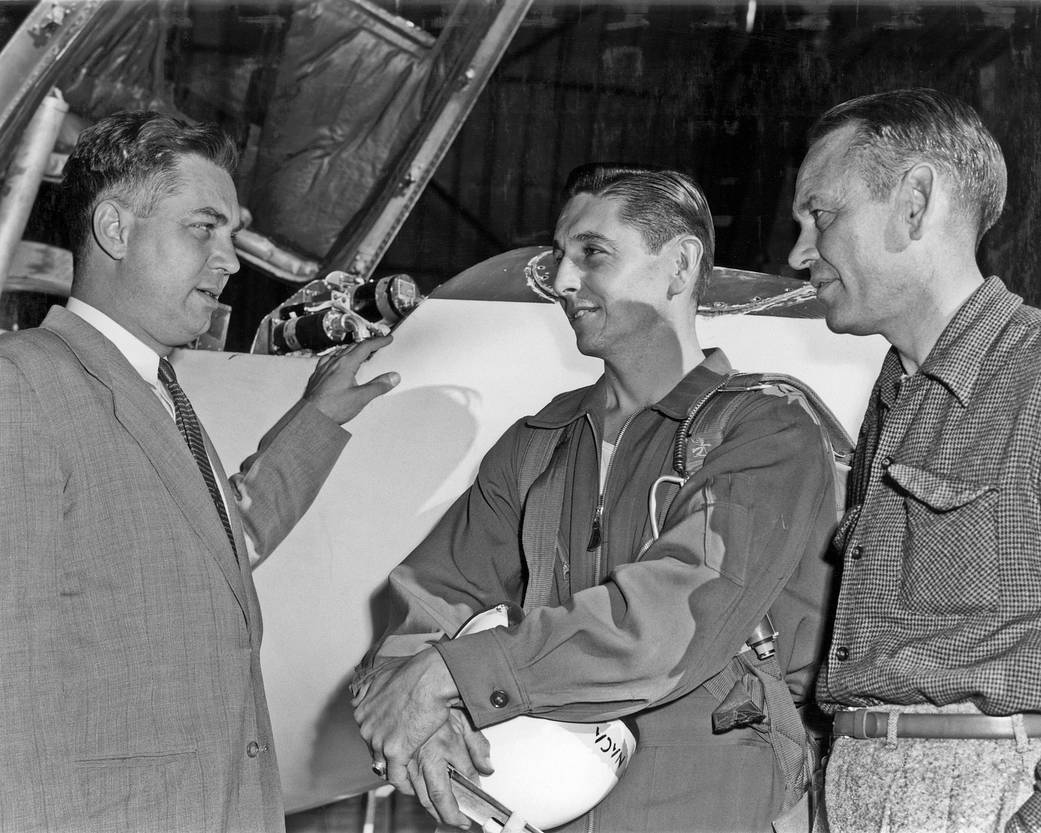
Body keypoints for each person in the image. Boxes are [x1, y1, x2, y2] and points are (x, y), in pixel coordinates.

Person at [353, 163, 839, 832]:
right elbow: (436, 588)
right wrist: (414, 705)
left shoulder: (764, 430)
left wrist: (453, 673)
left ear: (678, 265)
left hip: (713, 806)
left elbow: (671, 620)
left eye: (591, 253)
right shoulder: (537, 442)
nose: (560, 280)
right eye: (558, 255)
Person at [0, 110, 399, 833]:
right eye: (203, 229)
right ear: (115, 231)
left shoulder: (159, 392)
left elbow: (227, 542)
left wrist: (318, 417)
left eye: (231, 234)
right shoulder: (20, 386)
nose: (231, 260)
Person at [788, 87, 1041, 832]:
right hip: (859, 788)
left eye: (820, 214)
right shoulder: (895, 397)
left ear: (914, 202)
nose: (798, 252)